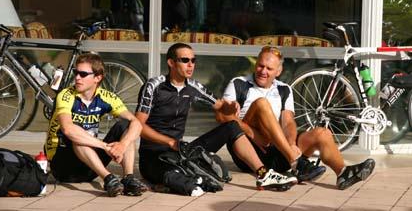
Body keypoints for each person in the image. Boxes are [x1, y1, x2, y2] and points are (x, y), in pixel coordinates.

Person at [135, 43, 301, 196]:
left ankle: (263, 174)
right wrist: (169, 142)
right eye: (185, 60)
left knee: (231, 126)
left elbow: (221, 107)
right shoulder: (154, 85)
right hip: (153, 154)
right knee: (188, 184)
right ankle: (178, 179)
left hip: (180, 152)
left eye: (193, 60)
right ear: (171, 63)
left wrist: (231, 107)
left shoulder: (193, 86)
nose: (191, 64)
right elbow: (138, 125)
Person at [221, 46, 375, 190]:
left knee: (322, 134)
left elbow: (288, 122)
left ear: (278, 71)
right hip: (249, 151)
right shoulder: (239, 84)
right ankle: (296, 163)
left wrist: (290, 144)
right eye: (261, 66)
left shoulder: (284, 89)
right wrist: (249, 130)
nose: (263, 71)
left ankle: (342, 173)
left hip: (276, 150)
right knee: (262, 104)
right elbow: (225, 118)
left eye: (269, 68)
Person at [45, 53, 147, 197]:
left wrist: (122, 145)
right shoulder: (66, 95)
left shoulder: (106, 97)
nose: (77, 78)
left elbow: (137, 124)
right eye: (76, 73)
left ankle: (128, 179)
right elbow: (68, 129)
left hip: (91, 165)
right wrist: (106, 147)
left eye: (83, 74)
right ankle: (109, 179)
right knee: (77, 132)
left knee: (126, 125)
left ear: (97, 78)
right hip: (63, 167)